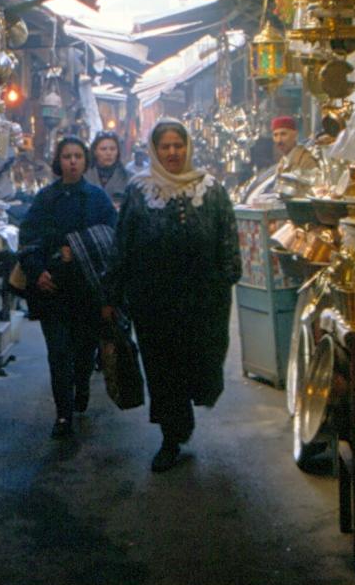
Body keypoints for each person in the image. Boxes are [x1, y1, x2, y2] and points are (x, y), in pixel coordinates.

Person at [104, 118, 241, 473]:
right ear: (154, 150)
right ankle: (171, 437)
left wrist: (227, 277)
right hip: (153, 301)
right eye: (164, 146)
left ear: (188, 148)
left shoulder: (211, 190)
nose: (172, 152)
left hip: (202, 301)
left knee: (200, 364)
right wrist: (113, 293)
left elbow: (228, 238)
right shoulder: (139, 191)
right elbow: (124, 244)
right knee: (163, 370)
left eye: (178, 146)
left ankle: (183, 417)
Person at [18, 135, 117, 439]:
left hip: (86, 289)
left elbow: (112, 237)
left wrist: (80, 246)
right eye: (66, 156)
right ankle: (63, 414)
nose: (72, 161)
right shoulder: (46, 199)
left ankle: (82, 386)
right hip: (53, 289)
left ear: (85, 160)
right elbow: (28, 239)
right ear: (58, 162)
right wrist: (37, 272)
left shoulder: (98, 198)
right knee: (58, 352)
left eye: (77, 156)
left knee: (84, 349)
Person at [84, 130, 130, 208]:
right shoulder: (84, 175)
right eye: (103, 149)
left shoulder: (127, 177)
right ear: (95, 152)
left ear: (117, 152)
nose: (108, 153)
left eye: (112, 149)